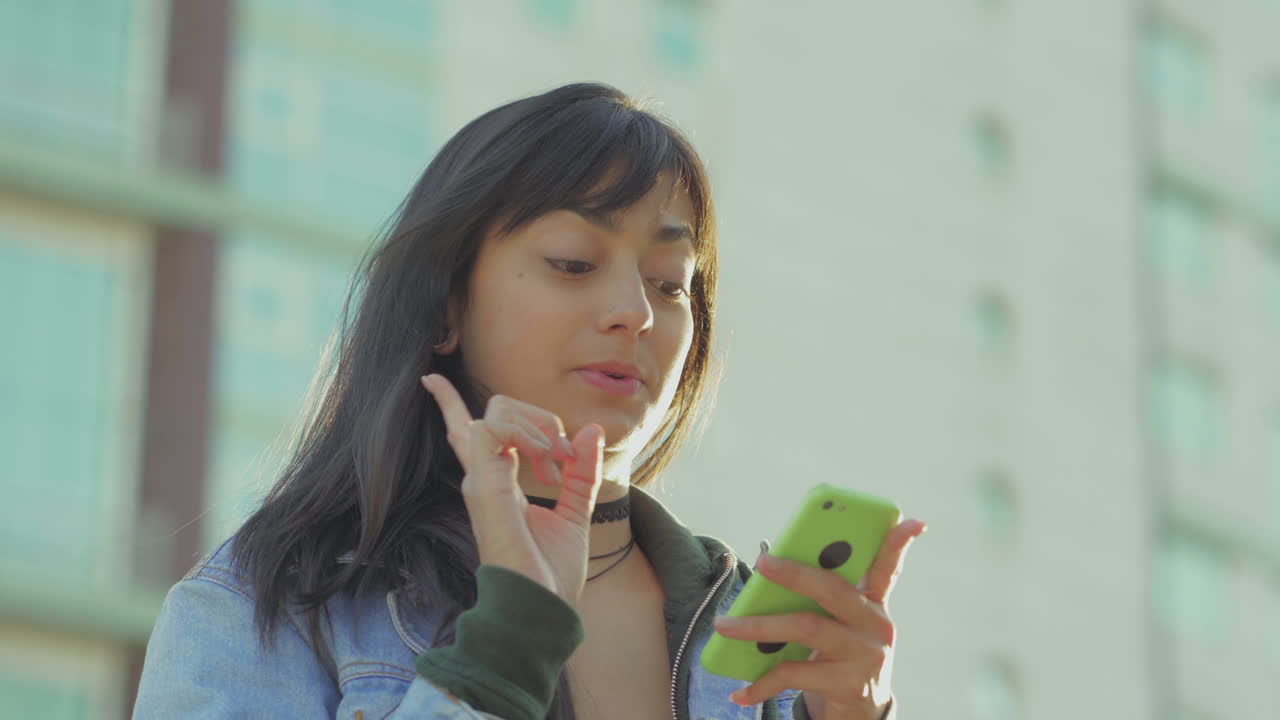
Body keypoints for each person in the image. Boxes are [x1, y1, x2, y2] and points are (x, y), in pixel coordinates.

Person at [133, 82, 925, 720]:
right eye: (574, 262)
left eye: (669, 283)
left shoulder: (764, 635)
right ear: (445, 306)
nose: (636, 313)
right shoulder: (267, 605)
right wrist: (502, 653)